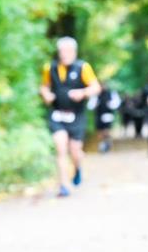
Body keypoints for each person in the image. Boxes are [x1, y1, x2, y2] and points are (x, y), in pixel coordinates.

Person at [40, 36, 102, 197]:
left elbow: (96, 87)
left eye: (68, 51)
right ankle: (64, 185)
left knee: (75, 151)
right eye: (62, 51)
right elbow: (44, 87)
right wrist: (46, 95)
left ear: (74, 52)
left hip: (77, 115)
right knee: (60, 148)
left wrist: (83, 92)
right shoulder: (50, 68)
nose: (65, 54)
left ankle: (77, 167)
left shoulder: (83, 67)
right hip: (57, 114)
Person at [89, 82, 121, 153]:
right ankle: (102, 146)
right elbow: (90, 106)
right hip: (98, 115)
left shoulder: (111, 93)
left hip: (108, 114)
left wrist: (110, 105)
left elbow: (117, 103)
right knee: (100, 132)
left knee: (107, 131)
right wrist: (95, 105)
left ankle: (107, 145)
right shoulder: (96, 95)